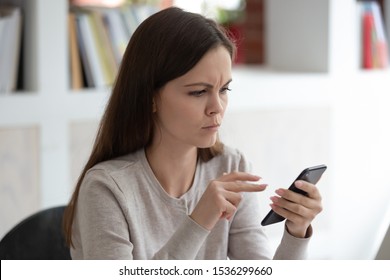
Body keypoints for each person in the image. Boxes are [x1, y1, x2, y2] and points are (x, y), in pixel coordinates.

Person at [63, 6, 323, 260]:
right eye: (198, 92)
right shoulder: (106, 188)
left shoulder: (230, 166)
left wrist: (296, 232)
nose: (217, 107)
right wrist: (200, 220)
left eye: (224, 90)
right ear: (151, 97)